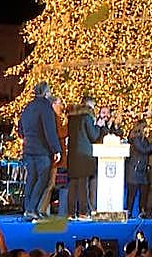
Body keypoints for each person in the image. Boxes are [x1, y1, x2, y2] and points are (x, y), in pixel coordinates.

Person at [18, 81, 62, 221]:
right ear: (46, 93)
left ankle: (28, 209)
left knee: (31, 179)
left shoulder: (28, 107)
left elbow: (20, 128)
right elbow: (50, 131)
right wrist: (56, 149)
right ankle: (31, 209)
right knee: (42, 179)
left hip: (29, 149)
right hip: (42, 150)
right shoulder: (46, 108)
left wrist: (26, 137)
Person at [67, 96, 102, 219]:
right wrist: (98, 125)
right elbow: (94, 136)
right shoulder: (87, 118)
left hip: (72, 155)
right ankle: (83, 212)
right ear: (89, 106)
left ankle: (70, 213)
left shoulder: (71, 118)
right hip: (84, 156)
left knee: (72, 185)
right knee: (83, 185)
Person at [126, 119, 152, 219]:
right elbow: (144, 150)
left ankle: (142, 211)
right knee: (132, 194)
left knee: (144, 192)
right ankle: (129, 212)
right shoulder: (136, 139)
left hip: (142, 170)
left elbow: (148, 148)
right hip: (134, 169)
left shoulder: (143, 139)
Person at [38, 96, 68, 216]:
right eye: (60, 103)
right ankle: (41, 209)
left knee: (49, 184)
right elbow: (60, 133)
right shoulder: (53, 118)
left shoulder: (51, 117)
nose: (61, 106)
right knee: (49, 184)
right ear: (54, 104)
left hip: (52, 156)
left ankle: (43, 209)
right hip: (54, 157)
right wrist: (67, 124)